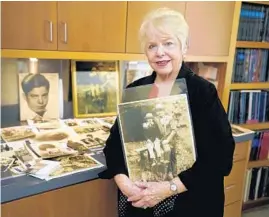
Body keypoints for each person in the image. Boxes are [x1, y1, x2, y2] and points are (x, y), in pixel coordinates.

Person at [99, 7, 235, 217]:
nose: (159, 52)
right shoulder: (136, 90)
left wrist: (167, 189)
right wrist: (125, 184)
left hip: (189, 205)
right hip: (139, 202)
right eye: (152, 45)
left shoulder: (201, 92)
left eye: (168, 43)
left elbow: (220, 158)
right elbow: (114, 146)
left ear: (184, 46)